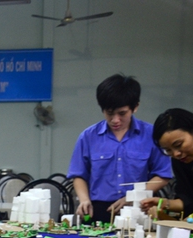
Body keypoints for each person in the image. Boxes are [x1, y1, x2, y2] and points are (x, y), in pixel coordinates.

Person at [66, 74, 172, 222]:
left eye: (122, 113)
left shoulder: (151, 135)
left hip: (137, 208)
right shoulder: (88, 137)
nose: (115, 120)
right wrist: (84, 200)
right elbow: (79, 175)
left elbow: (162, 175)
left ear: (135, 107)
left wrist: (133, 196)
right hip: (98, 210)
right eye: (109, 113)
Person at [140, 108, 193, 220]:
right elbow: (189, 200)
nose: (176, 154)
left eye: (178, 144)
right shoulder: (181, 159)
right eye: (168, 150)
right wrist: (164, 203)